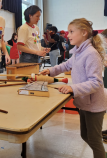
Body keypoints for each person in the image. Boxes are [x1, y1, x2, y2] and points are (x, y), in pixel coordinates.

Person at [40, 18, 107, 158]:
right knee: (85, 136)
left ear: (84, 33)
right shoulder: (78, 51)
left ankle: (100, 154)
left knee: (94, 141)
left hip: (94, 106)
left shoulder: (90, 54)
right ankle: (101, 154)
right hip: (85, 103)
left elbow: (96, 83)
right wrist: (50, 71)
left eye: (71, 32)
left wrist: (73, 88)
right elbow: (65, 65)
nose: (68, 35)